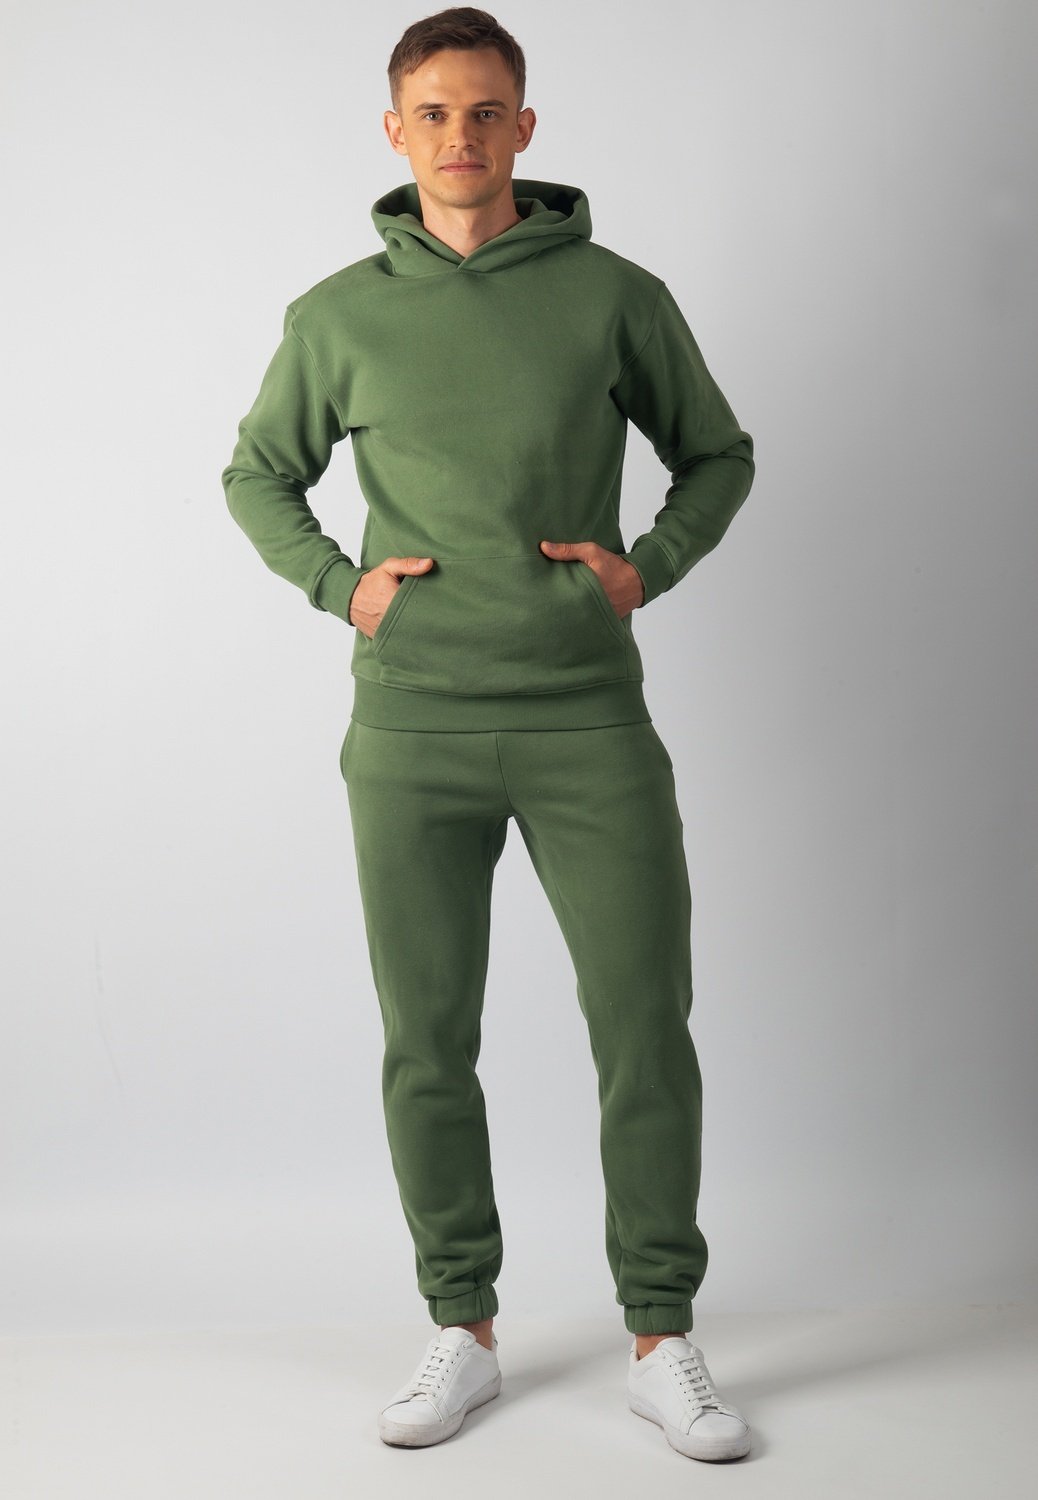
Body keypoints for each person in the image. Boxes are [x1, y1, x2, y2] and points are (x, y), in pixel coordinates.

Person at [221, 6, 755, 1463]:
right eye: (434, 113)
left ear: (525, 126)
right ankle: (462, 1325)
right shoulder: (338, 316)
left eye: (485, 111)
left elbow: (716, 452)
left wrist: (649, 565)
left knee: (643, 1026)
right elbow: (258, 475)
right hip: (411, 732)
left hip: (588, 719)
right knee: (426, 1041)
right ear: (396, 133)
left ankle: (662, 1337)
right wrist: (342, 587)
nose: (460, 137)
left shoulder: (616, 297)